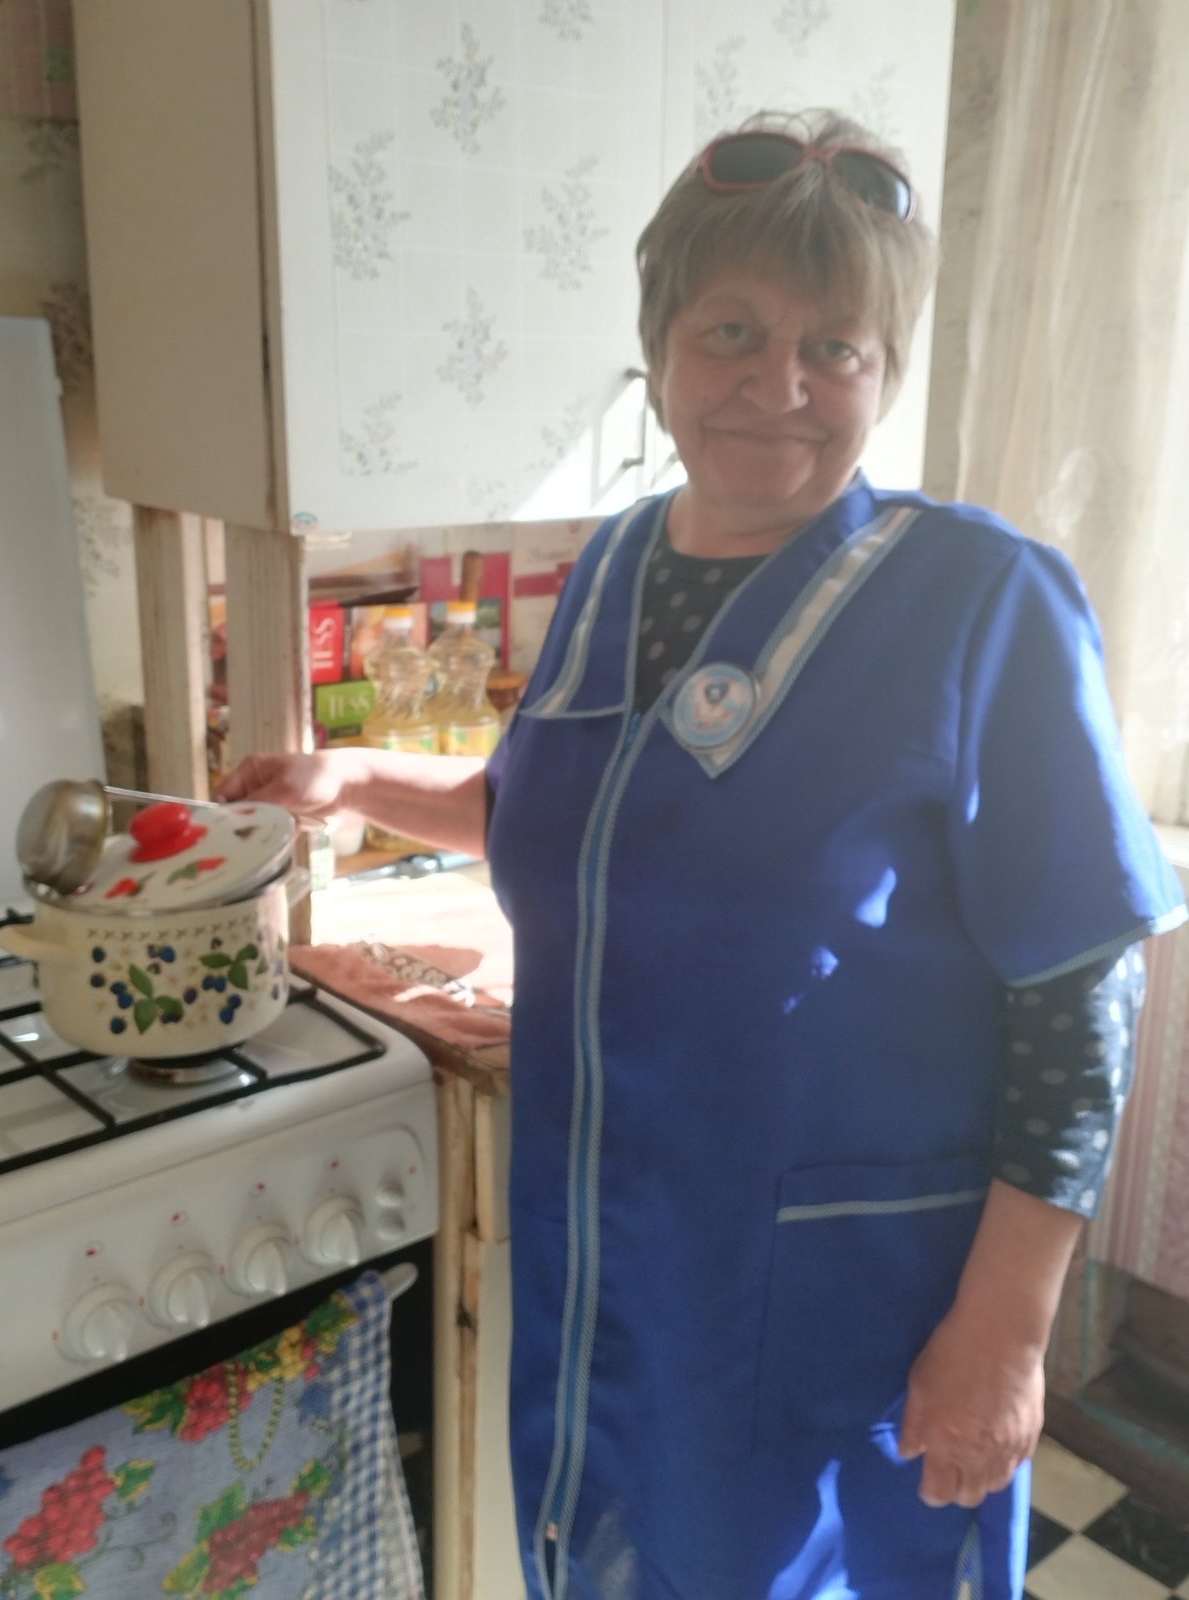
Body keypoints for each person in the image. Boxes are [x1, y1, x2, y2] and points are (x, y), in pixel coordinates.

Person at [221, 110, 1187, 1600]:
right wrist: (357, 779)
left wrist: (1006, 1333)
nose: (778, 384)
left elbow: (1079, 991)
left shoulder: (980, 600)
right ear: (660, 346)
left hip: (852, 1306)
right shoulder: (616, 565)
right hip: (616, 1276)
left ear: (883, 371)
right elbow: (570, 816)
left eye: (835, 346)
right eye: (732, 329)